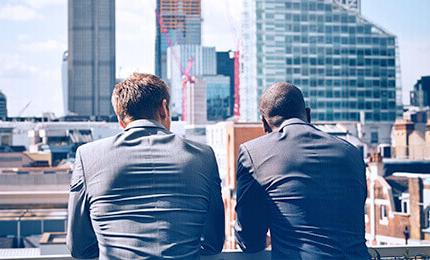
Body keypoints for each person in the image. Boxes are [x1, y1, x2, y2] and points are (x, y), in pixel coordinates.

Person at [67, 73, 224, 259]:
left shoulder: (87, 156)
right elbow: (214, 242)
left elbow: (79, 247)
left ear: (120, 119)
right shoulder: (203, 156)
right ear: (164, 108)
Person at [234, 82, 369, 259]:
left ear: (264, 124)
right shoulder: (350, 152)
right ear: (308, 114)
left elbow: (249, 239)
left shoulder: (254, 153)